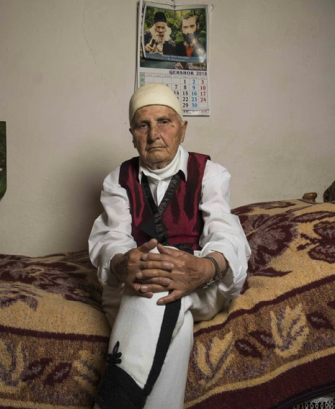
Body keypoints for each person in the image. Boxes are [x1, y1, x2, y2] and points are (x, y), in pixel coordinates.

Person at [89, 83, 250, 409]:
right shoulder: (117, 180)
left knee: (157, 283)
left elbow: (225, 234)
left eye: (164, 122)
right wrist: (123, 263)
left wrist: (205, 267)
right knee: (167, 306)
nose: (154, 134)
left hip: (201, 282)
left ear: (182, 129)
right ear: (132, 134)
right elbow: (111, 239)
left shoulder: (210, 173)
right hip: (136, 282)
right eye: (143, 125)